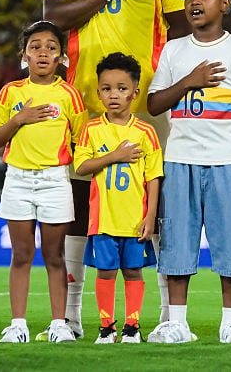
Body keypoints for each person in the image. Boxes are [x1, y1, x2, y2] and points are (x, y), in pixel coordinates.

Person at [43, 0, 189, 334]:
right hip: (82, 101)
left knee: (158, 207)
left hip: (152, 103)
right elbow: (54, 18)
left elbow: (183, 31)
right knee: (80, 209)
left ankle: (170, 318)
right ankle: (71, 317)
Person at [145, 0, 231, 344]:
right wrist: (190, 81)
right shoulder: (174, 50)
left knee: (230, 243)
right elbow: (153, 103)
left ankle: (230, 322)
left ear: (226, 4)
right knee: (177, 243)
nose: (194, 1)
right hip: (179, 158)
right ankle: (177, 323)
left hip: (227, 161)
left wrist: (228, 127)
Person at [0, 20, 88, 344]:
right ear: (24, 56)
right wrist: (19, 119)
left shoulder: (69, 95)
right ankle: (17, 324)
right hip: (17, 178)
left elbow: (80, 142)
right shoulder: (11, 92)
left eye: (51, 47)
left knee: (55, 255)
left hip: (55, 180)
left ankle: (60, 324)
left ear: (61, 57)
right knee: (21, 255)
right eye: (35, 47)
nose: (43, 52)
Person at [73, 52, 163, 344]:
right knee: (106, 272)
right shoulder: (91, 129)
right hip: (103, 220)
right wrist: (115, 156)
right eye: (107, 88)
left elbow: (153, 178)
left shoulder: (146, 132)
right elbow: (82, 166)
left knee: (134, 272)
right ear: (98, 92)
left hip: (134, 220)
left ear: (135, 94)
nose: (114, 95)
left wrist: (150, 217)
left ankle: (132, 328)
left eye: (122, 89)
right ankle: (107, 328)